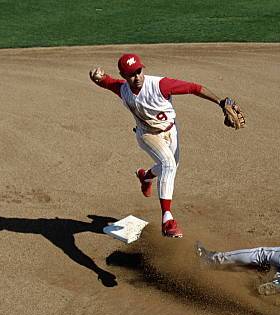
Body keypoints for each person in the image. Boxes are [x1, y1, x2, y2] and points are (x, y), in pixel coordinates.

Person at [89, 53, 244, 238]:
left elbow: (194, 88)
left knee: (169, 166)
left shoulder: (160, 85)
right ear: (124, 75)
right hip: (147, 135)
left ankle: (146, 176)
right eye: (131, 74)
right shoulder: (122, 89)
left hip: (171, 132)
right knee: (168, 165)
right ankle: (167, 220)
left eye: (139, 71)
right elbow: (105, 81)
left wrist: (220, 102)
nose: (136, 77)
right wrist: (96, 77)